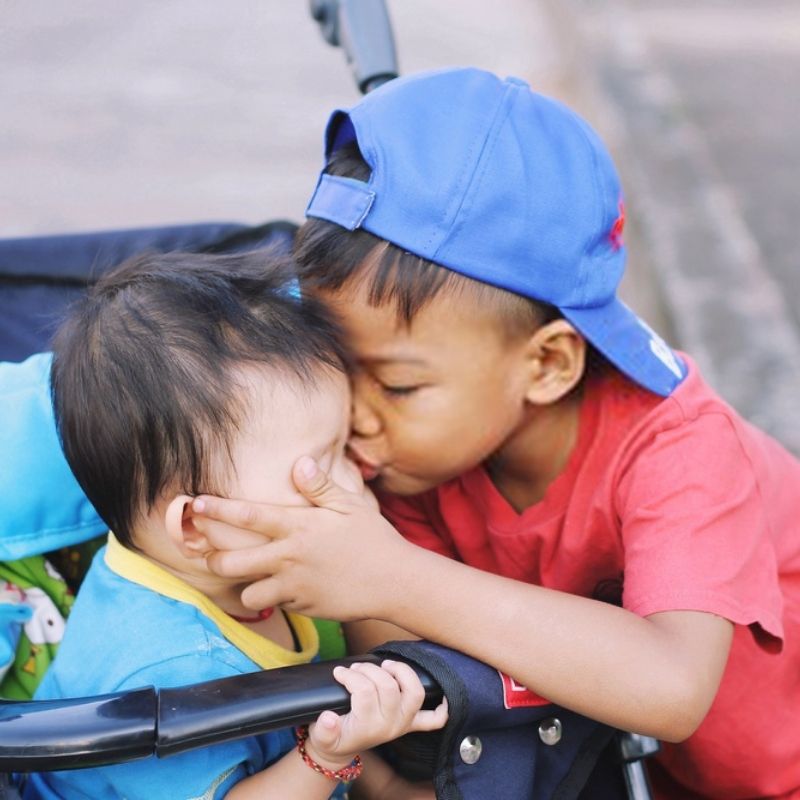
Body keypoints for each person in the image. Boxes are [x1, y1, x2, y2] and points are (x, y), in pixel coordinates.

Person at [188, 68, 800, 800]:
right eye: (339, 370)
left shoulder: (681, 448)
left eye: (398, 383)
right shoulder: (415, 454)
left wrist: (388, 573)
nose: (355, 414)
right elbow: (410, 690)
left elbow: (672, 685)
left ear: (545, 365)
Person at [24, 251, 447, 800]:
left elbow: (322, 698)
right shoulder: (167, 674)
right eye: (324, 461)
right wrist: (325, 756)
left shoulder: (234, 562)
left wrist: (385, 785)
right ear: (198, 526)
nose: (357, 475)